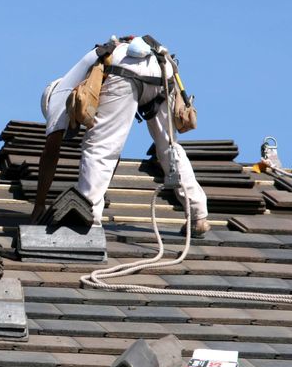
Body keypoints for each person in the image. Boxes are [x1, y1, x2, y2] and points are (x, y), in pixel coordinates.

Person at [31, 34, 210, 236]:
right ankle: (198, 215)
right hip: (162, 67)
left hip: (126, 71)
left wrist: (39, 205)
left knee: (100, 147)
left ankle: (87, 218)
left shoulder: (58, 97)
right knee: (168, 146)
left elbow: (50, 153)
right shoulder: (84, 73)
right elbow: (114, 161)